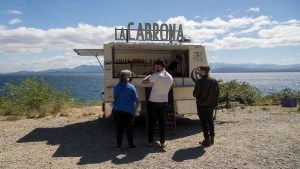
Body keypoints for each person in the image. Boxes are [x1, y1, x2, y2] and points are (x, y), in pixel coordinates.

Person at [142, 59, 174, 148]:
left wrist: (148, 75)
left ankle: (150, 142)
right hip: (164, 102)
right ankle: (162, 142)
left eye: (155, 66)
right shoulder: (170, 76)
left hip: (153, 102)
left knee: (151, 122)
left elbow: (143, 82)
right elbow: (170, 87)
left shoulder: (155, 75)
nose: (154, 67)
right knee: (162, 122)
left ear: (158, 66)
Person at [192, 65, 219, 147]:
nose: (198, 72)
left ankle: (207, 140)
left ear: (203, 71)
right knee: (210, 121)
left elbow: (195, 94)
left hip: (201, 105)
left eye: (199, 70)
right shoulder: (214, 80)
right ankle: (212, 138)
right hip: (211, 105)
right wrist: (215, 102)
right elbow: (217, 93)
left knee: (204, 122)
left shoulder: (199, 82)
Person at [113, 69, 138, 150]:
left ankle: (118, 145)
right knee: (129, 128)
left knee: (119, 128)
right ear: (127, 77)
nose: (131, 77)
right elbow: (135, 99)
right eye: (130, 76)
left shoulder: (116, 86)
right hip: (129, 111)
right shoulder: (131, 87)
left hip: (117, 110)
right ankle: (131, 145)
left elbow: (115, 97)